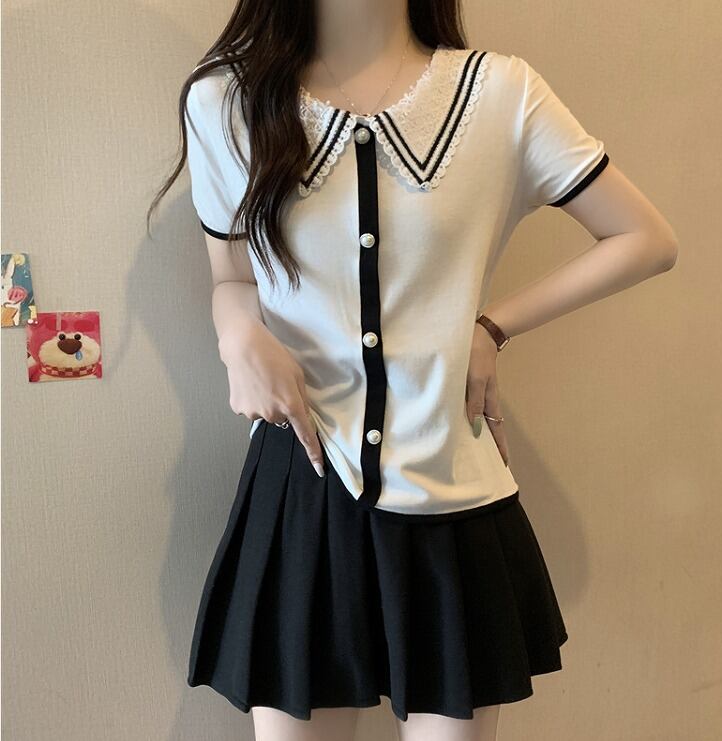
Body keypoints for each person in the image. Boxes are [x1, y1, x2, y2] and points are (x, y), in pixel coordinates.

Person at [148, 1, 678, 739]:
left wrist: (493, 326)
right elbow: (232, 276)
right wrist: (237, 334)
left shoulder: (501, 94)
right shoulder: (227, 101)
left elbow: (645, 238)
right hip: (303, 483)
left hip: (449, 490)